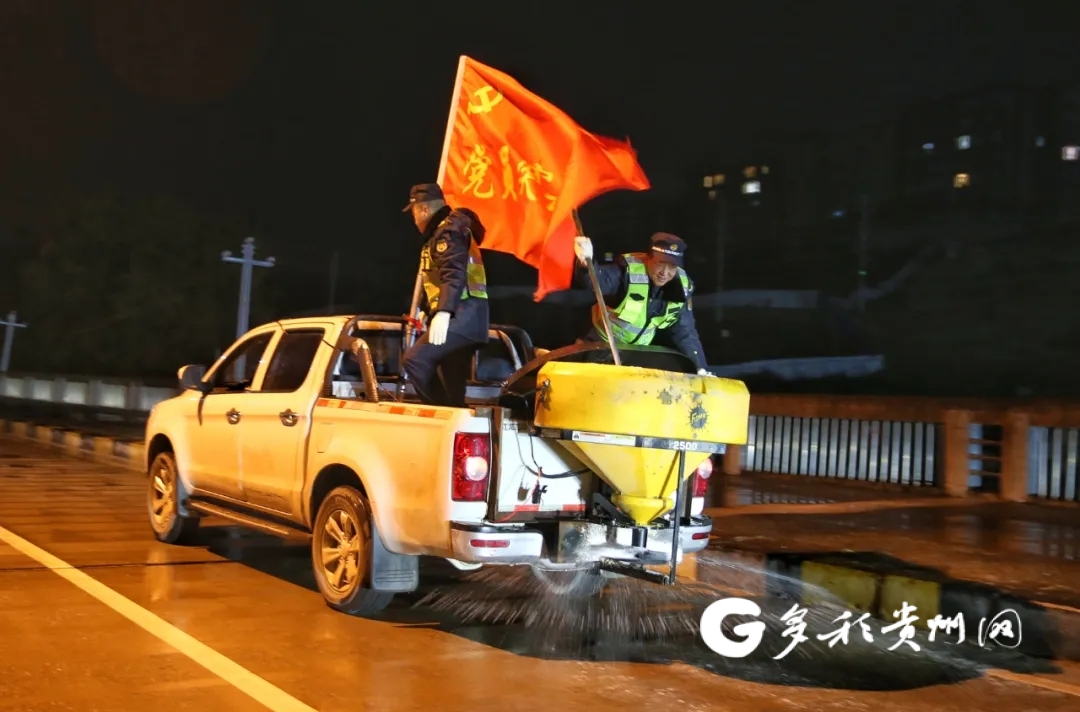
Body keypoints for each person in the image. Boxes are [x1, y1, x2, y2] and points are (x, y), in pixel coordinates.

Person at [401, 183, 490, 407]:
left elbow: (453, 274)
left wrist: (443, 312)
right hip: (468, 318)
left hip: (462, 318)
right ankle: (451, 417)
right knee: (452, 389)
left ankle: (439, 413)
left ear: (422, 210)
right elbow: (438, 279)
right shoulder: (448, 231)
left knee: (415, 361)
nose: (413, 220)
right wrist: (427, 310)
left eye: (413, 212)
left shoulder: (446, 232)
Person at [573, 232, 712, 375]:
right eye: (661, 264)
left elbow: (686, 333)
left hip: (635, 358)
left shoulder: (680, 289)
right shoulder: (626, 273)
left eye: (672, 267)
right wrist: (586, 261)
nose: (664, 273)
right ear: (648, 259)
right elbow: (599, 280)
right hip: (597, 348)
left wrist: (699, 367)